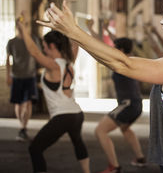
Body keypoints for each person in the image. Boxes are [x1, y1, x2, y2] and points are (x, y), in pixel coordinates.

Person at [38, 0, 163, 173]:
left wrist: (74, 31)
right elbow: (114, 61)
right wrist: (76, 35)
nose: (162, 21)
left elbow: (122, 63)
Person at [17, 14, 90, 173]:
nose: (43, 49)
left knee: (35, 149)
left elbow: (34, 52)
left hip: (63, 116)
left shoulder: (53, 65)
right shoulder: (70, 62)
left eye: (44, 46)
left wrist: (23, 29)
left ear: (51, 46)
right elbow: (76, 43)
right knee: (78, 142)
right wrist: (69, 28)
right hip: (76, 114)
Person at [86, 21, 146, 173]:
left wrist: (90, 29)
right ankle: (140, 157)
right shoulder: (130, 58)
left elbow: (100, 47)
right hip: (136, 103)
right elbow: (116, 43)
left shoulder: (120, 62)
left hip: (128, 104)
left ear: (120, 50)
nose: (112, 49)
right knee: (125, 129)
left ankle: (114, 166)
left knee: (100, 131)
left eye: (115, 48)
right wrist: (106, 29)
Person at [6, 18, 40, 141]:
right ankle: (21, 125)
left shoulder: (33, 40)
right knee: (18, 104)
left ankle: (23, 127)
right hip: (16, 77)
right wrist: (8, 76)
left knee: (27, 103)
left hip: (30, 76)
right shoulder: (12, 42)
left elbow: (38, 55)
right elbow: (8, 59)